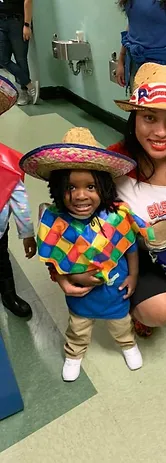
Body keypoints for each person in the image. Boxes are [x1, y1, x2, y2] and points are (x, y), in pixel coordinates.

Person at [60, 63, 166, 338]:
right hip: (141, 257)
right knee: (160, 310)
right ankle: (146, 309)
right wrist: (63, 273)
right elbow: (69, 213)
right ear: (134, 118)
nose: (161, 132)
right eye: (149, 118)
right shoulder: (112, 164)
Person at [20, 127, 153, 381]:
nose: (81, 195)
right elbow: (52, 258)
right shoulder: (54, 221)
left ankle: (127, 344)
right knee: (79, 327)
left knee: (121, 323)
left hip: (115, 290)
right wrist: (63, 281)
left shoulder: (116, 216)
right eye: (71, 187)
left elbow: (131, 247)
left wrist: (134, 275)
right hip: (81, 296)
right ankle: (73, 354)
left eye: (91, 186)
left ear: (104, 187)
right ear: (57, 189)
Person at [0, 76, 36, 318]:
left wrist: (27, 234)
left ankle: (8, 294)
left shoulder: (6, 163)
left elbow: (19, 200)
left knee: (2, 262)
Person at [116, 0, 166, 92]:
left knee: (157, 104)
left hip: (161, 65)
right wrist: (121, 60)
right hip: (134, 60)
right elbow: (132, 25)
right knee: (136, 104)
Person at [0, 0, 39, 106]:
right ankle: (29, 84)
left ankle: (24, 92)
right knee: (3, 59)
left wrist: (27, 25)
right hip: (1, 21)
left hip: (17, 21)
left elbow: (28, 1)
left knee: (20, 58)